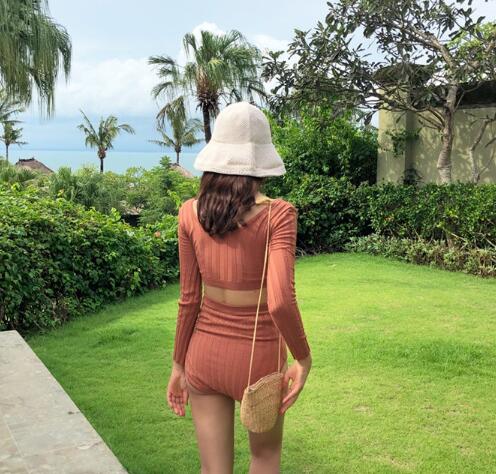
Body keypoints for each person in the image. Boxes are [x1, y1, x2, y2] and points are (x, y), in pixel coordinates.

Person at [166, 101, 312, 473]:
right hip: (258, 357)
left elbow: (188, 300)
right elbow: (280, 302)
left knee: (214, 470)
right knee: (264, 457)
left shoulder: (189, 213)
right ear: (261, 162)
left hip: (203, 353)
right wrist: (303, 358)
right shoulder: (278, 214)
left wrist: (178, 364)